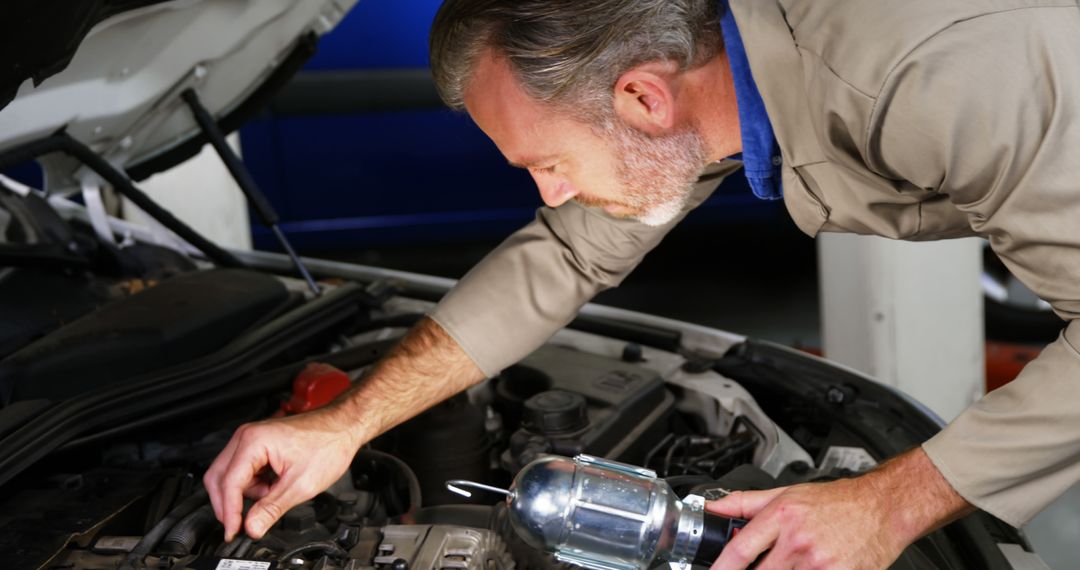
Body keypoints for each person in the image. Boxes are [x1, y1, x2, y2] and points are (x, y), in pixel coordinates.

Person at [204, 0, 1080, 567]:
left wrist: (888, 504)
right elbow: (565, 255)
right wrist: (349, 423)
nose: (547, 196)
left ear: (644, 100)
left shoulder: (921, 75)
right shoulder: (705, 83)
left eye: (547, 163)